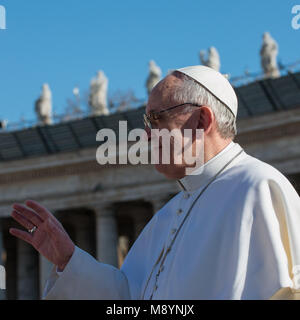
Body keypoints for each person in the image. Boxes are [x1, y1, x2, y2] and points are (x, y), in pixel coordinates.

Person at [9, 66, 300, 300]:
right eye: (146, 123)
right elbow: (130, 297)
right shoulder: (168, 214)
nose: (146, 135)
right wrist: (70, 260)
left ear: (201, 120)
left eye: (156, 119)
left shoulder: (259, 188)